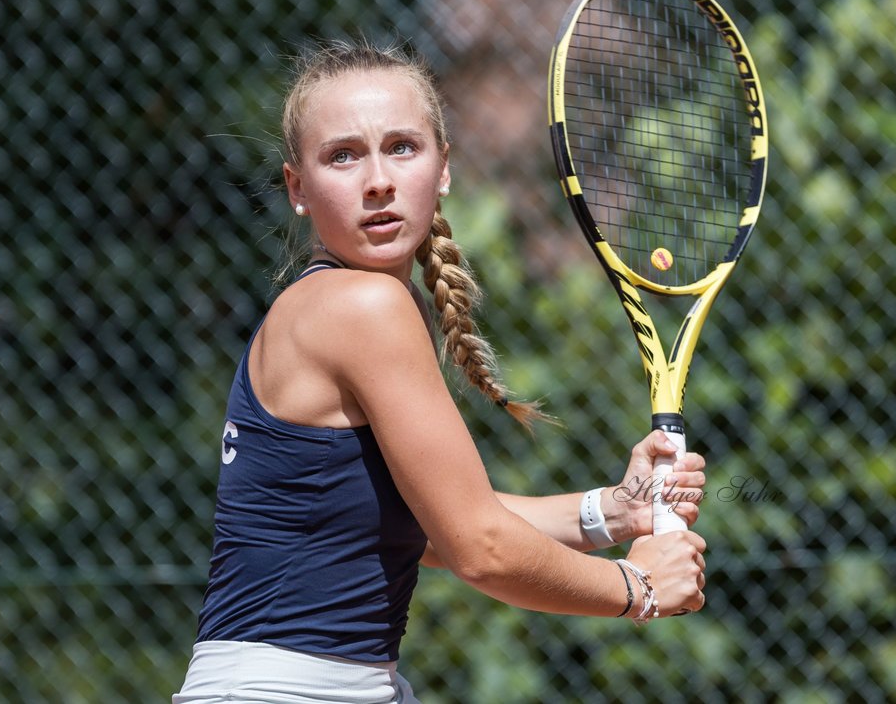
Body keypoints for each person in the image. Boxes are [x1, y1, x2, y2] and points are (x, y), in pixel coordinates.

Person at [174, 39, 707, 704]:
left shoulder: (347, 303)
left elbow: (433, 525)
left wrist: (614, 511)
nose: (377, 180)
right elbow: (478, 547)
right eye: (343, 155)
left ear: (444, 167)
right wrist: (640, 588)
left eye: (402, 147)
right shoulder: (362, 306)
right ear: (297, 188)